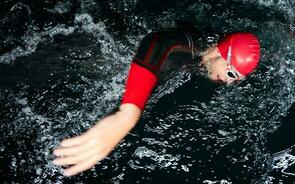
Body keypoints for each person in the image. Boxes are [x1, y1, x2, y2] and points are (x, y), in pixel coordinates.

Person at [52, 30, 261, 176]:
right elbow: (158, 41)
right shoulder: (192, 47)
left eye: (238, 78)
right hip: (98, 56)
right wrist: (128, 113)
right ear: (217, 52)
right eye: (231, 72)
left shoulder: (208, 57)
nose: (230, 81)